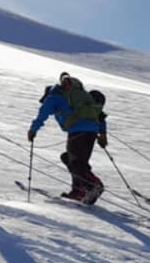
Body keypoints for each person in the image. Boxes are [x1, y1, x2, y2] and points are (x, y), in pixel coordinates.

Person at [28, 72, 107, 203]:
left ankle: (94, 185)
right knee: (71, 159)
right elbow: (100, 115)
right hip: (91, 133)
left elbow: (43, 113)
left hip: (78, 131)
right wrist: (102, 134)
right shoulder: (78, 98)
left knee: (75, 162)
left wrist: (33, 130)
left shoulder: (54, 97)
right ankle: (79, 191)